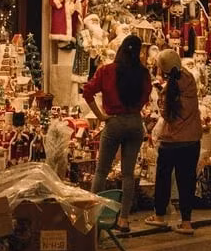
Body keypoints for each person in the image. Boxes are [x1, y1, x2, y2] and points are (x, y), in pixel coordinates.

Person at [83, 34, 151, 233]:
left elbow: (87, 91)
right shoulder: (143, 74)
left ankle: (91, 216)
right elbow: (146, 96)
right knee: (128, 174)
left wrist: (100, 116)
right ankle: (124, 219)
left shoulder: (107, 71)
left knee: (102, 171)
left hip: (113, 122)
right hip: (135, 122)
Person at [144, 49, 202, 235]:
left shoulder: (169, 90)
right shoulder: (190, 80)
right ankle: (186, 222)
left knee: (163, 179)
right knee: (187, 180)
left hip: (170, 141)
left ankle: (160, 216)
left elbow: (166, 113)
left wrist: (161, 91)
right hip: (191, 140)